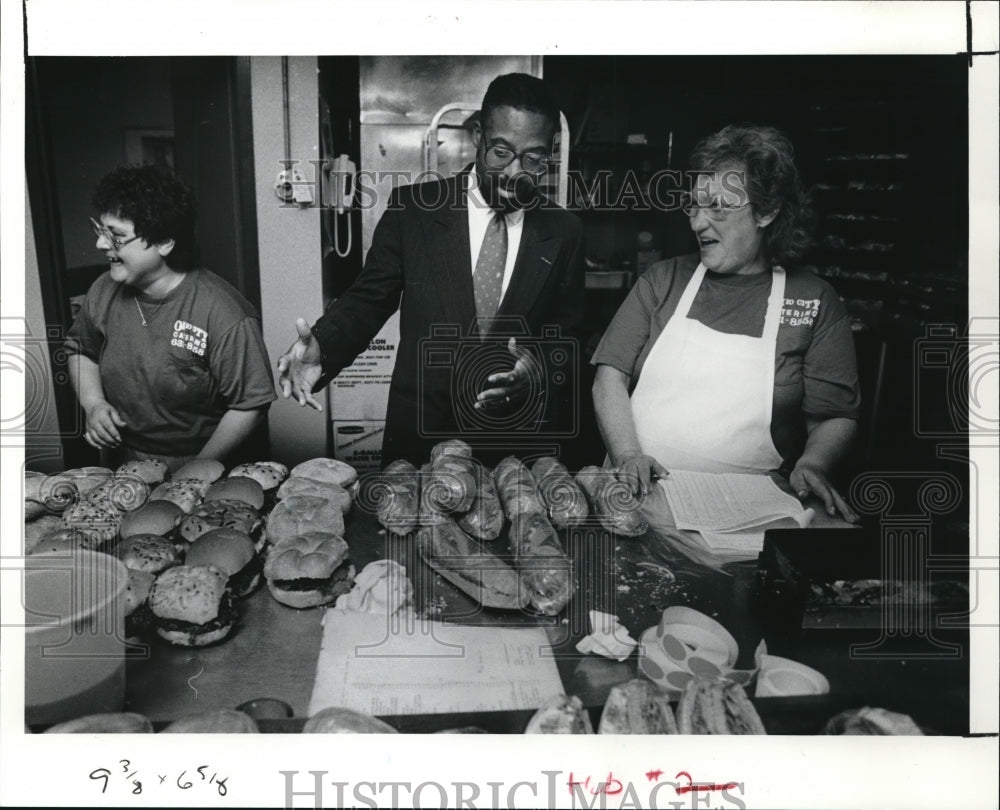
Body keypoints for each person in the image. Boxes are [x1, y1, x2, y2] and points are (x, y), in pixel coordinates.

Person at [277, 73, 584, 466]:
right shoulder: (414, 211)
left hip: (515, 451)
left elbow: (569, 336)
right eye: (501, 152)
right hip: (422, 440)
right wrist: (322, 346)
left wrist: (537, 370)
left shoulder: (565, 232)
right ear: (478, 138)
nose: (514, 172)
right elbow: (367, 301)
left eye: (534, 158)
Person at [592, 124, 860, 521]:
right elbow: (608, 375)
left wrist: (815, 462)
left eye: (718, 207)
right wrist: (628, 455)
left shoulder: (814, 300)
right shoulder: (663, 280)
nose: (698, 222)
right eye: (695, 206)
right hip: (634, 499)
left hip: (748, 517)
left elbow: (833, 415)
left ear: (767, 211)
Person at [64, 165, 276, 473]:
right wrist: (93, 403)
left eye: (117, 236)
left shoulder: (223, 311)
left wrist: (200, 466)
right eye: (101, 230)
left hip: (205, 459)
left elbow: (251, 404)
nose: (100, 244)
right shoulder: (101, 290)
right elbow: (81, 351)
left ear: (165, 241)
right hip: (123, 459)